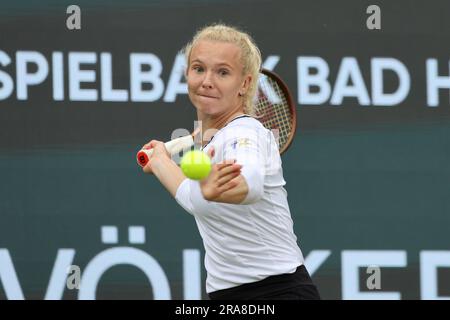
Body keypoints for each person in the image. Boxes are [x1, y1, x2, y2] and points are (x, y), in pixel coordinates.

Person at [141, 23, 320, 300]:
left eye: (222, 72)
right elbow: (193, 197)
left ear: (245, 83)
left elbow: (250, 183)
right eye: (198, 68)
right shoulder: (210, 140)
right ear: (187, 73)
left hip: (279, 292)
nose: (207, 80)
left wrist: (224, 187)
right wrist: (164, 162)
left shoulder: (247, 132)